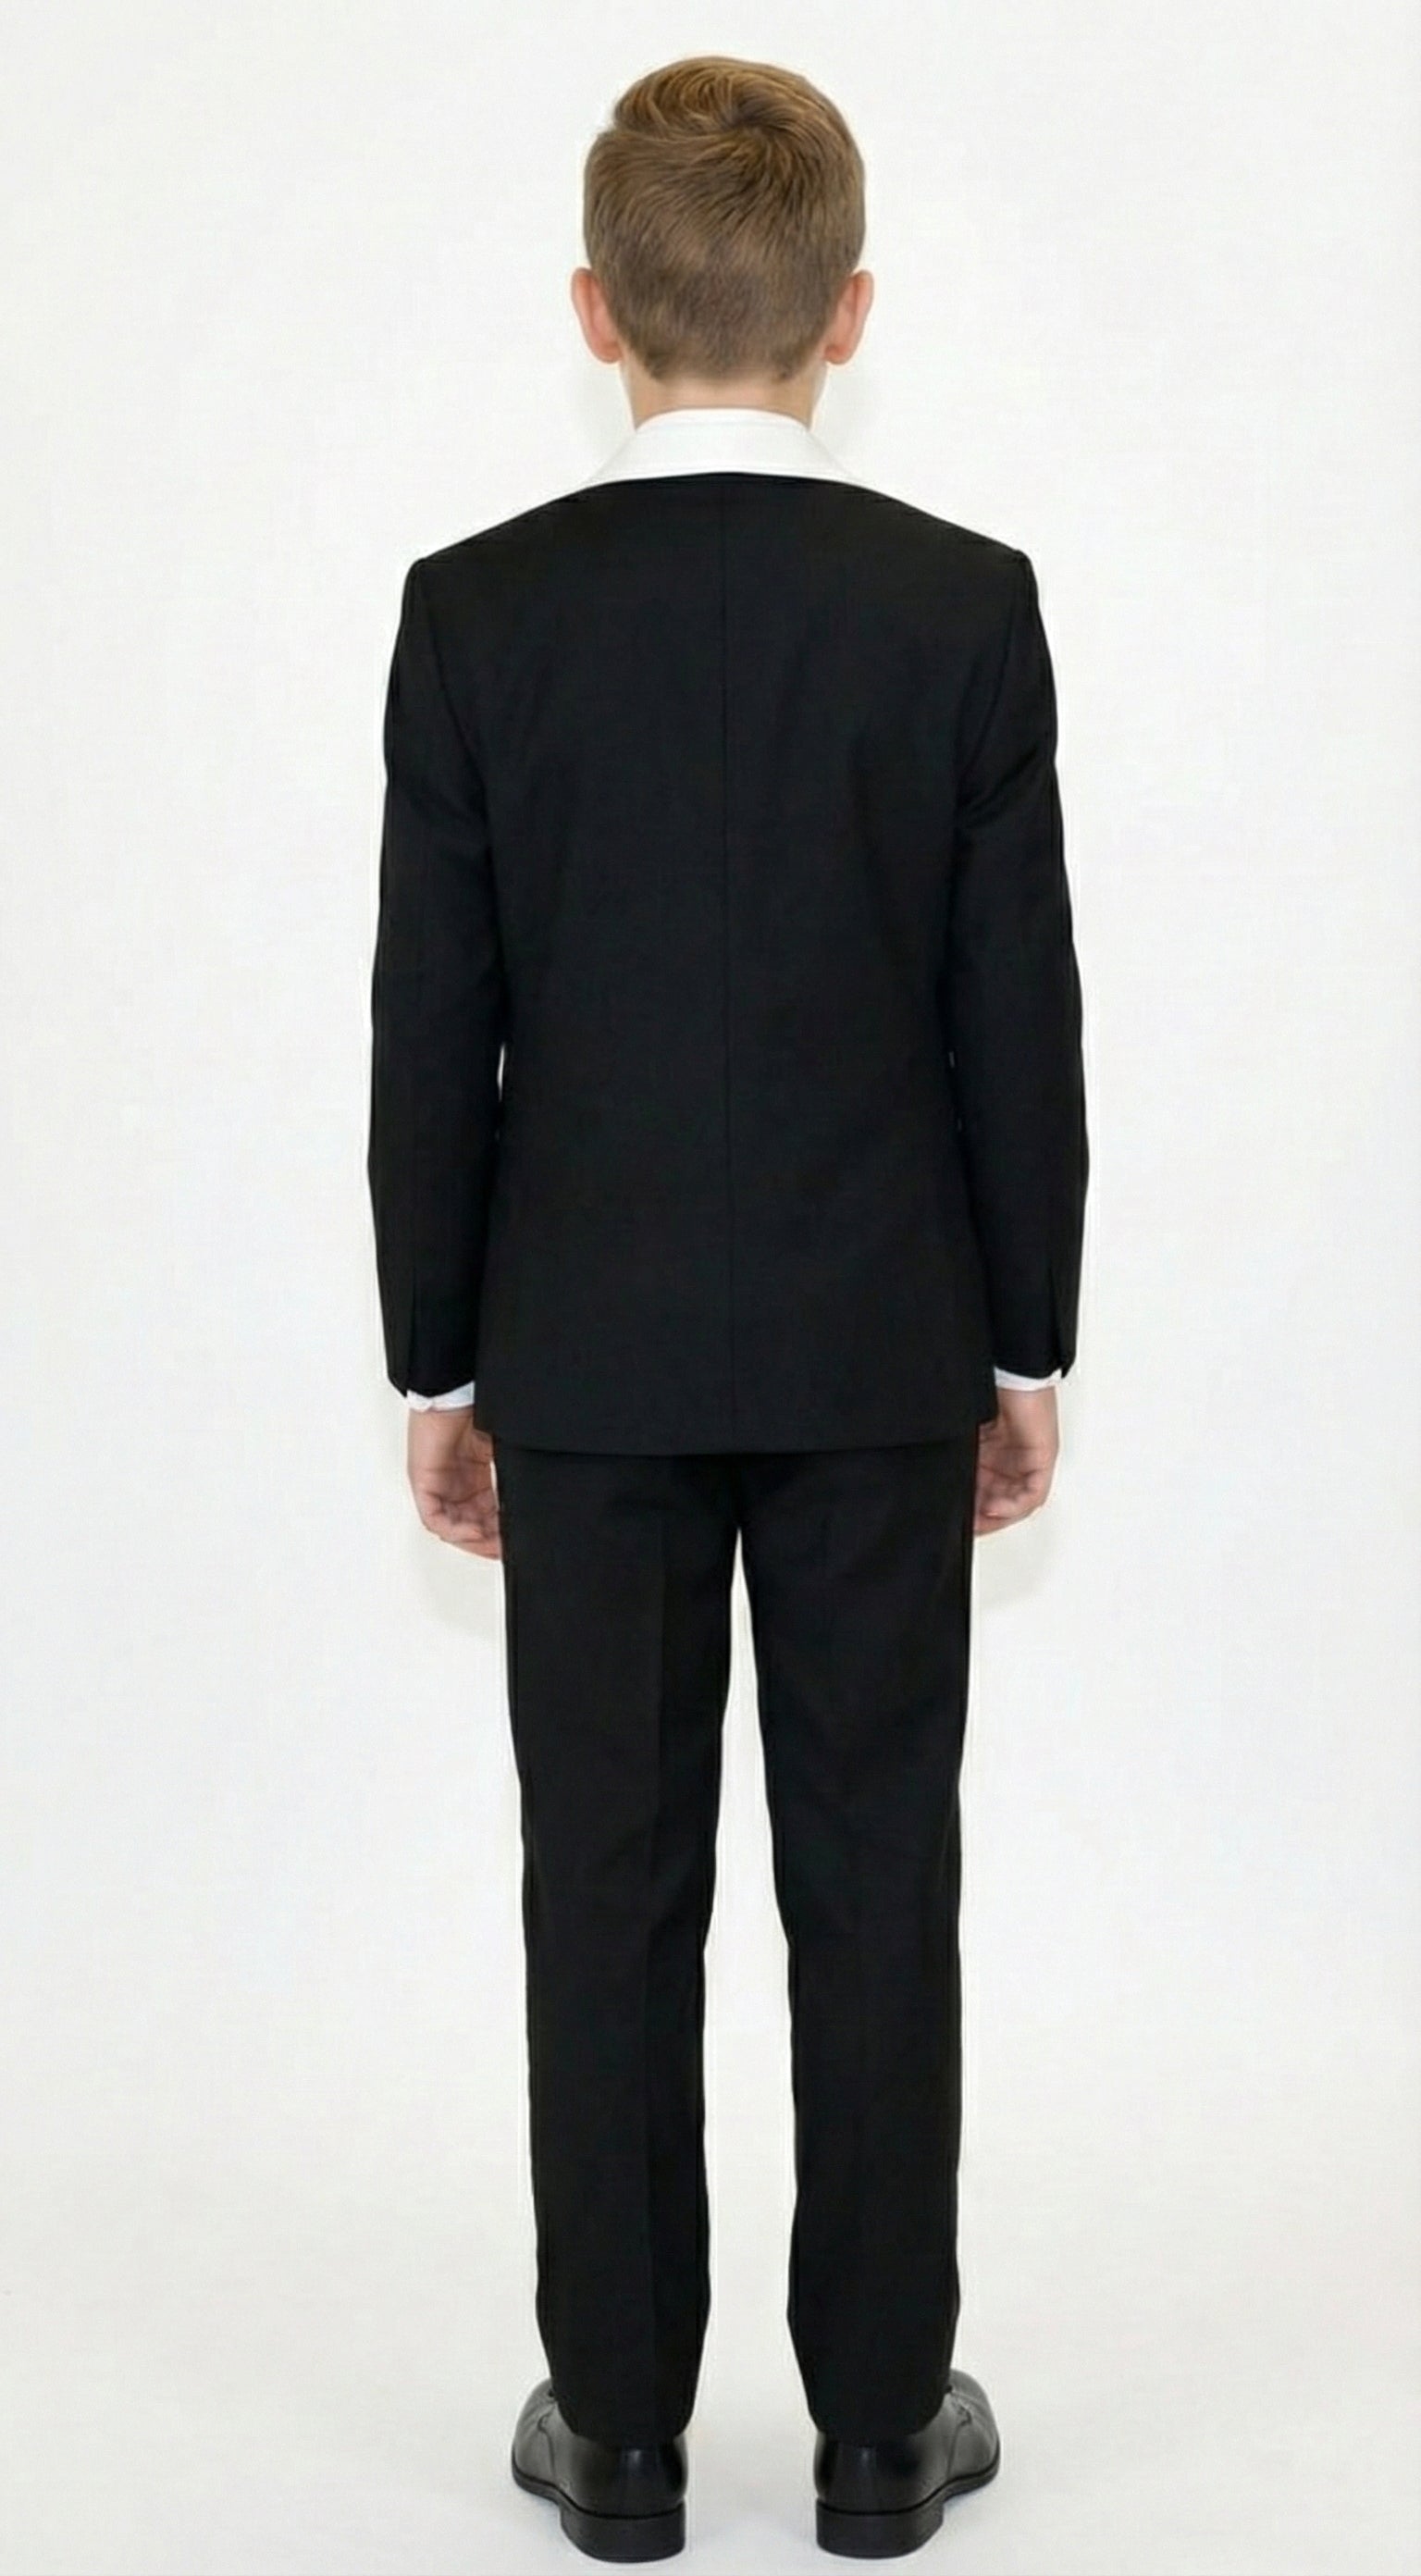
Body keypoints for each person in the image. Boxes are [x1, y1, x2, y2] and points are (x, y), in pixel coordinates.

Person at [366, 52, 1088, 2563]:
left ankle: (622, 2432)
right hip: (882, 1352)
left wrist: (440, 1360)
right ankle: (881, 2433)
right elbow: (1018, 1017)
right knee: (877, 1880)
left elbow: (432, 1027)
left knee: (610, 1886)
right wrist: (1025, 1343)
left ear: (595, 310)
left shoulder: (478, 615)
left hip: (583, 1363)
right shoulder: (961, 609)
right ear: (848, 311)